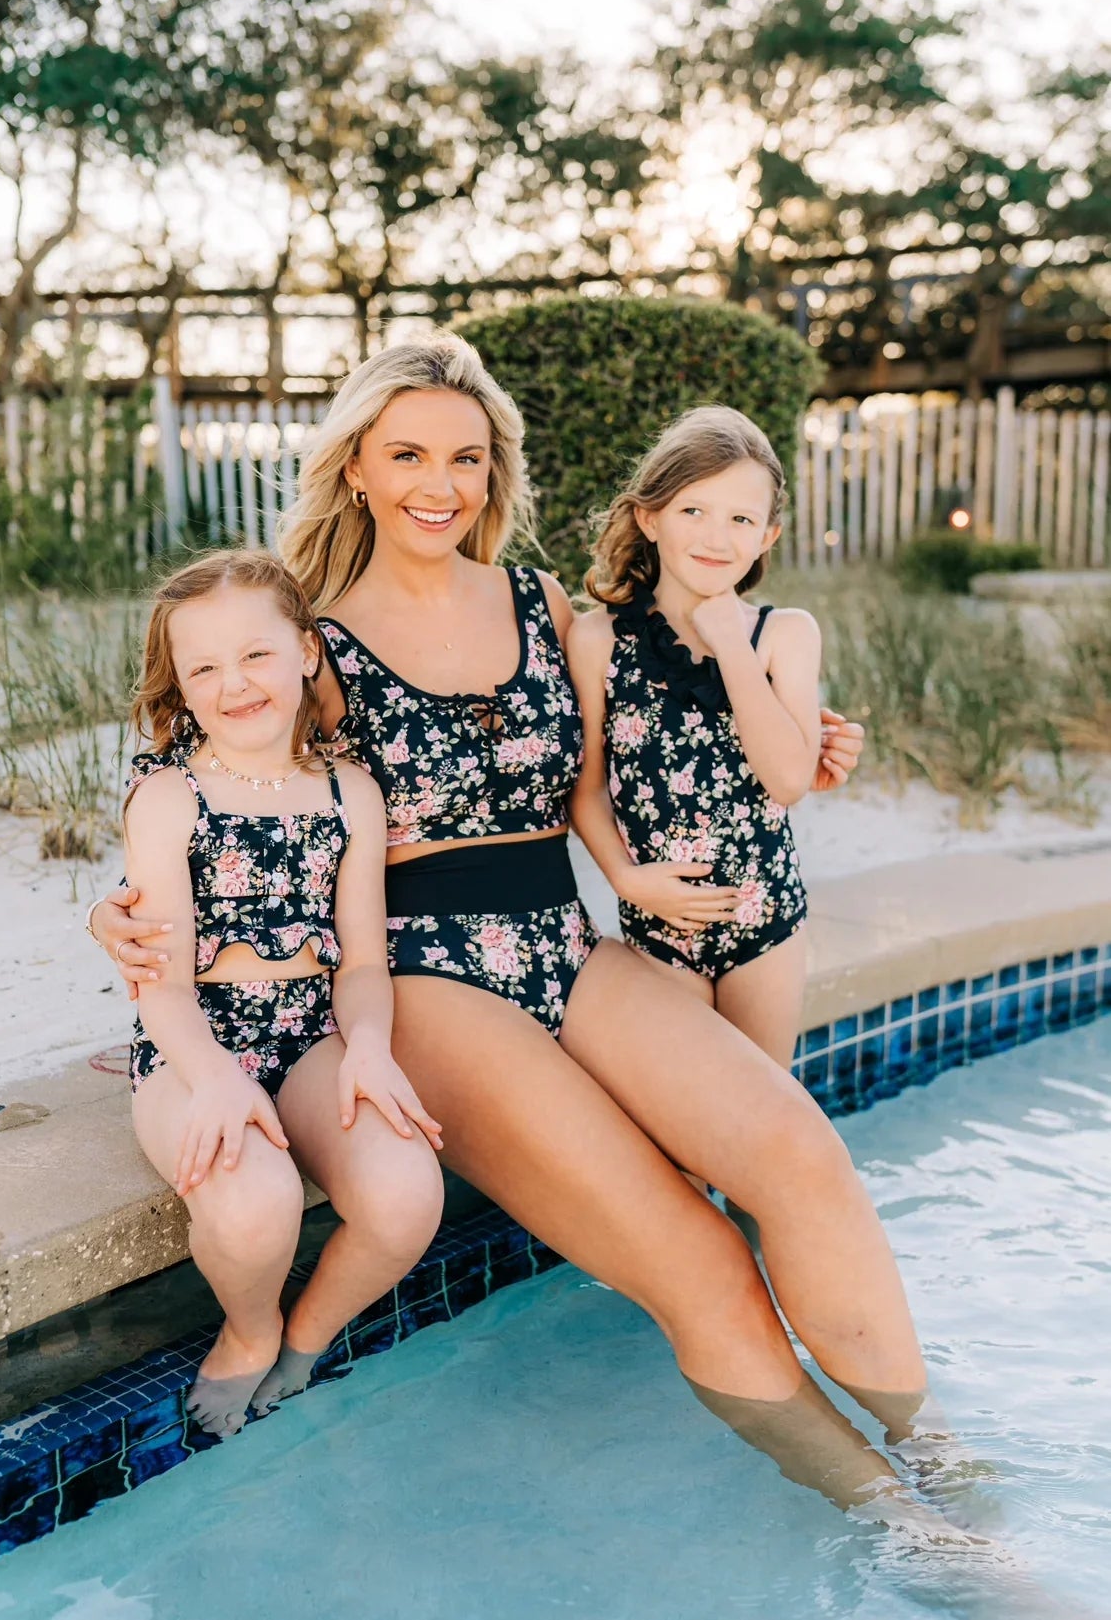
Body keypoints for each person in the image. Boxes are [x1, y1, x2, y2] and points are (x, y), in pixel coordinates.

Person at [93, 337, 948, 1518]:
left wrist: (811, 734)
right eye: (406, 455)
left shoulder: (544, 603)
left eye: (466, 457)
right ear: (356, 468)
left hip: (568, 940)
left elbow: (662, 709)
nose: (439, 483)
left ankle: (940, 1457)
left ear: (495, 470)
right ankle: (902, 1529)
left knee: (803, 1155)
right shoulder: (315, 639)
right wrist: (115, 910)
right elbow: (211, 787)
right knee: (698, 1257)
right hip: (427, 976)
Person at [120, 549, 444, 1436]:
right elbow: (161, 982)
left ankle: (308, 1333)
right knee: (254, 1206)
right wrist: (215, 1077)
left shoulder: (349, 792)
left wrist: (367, 1046)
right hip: (194, 1039)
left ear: (305, 652)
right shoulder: (170, 797)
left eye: (255, 654)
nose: (233, 683)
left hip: (311, 1032)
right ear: (180, 686)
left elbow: (363, 962)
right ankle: (251, 1329)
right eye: (203, 668)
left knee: (406, 1195)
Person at [569, 405, 815, 1077]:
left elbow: (789, 779)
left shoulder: (784, 635)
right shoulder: (597, 640)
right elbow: (586, 789)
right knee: (682, 1115)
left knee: (761, 1112)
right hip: (659, 919)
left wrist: (729, 641)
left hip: (763, 917)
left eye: (740, 519)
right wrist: (625, 879)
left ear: (767, 536)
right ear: (650, 518)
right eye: (693, 511)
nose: (715, 537)